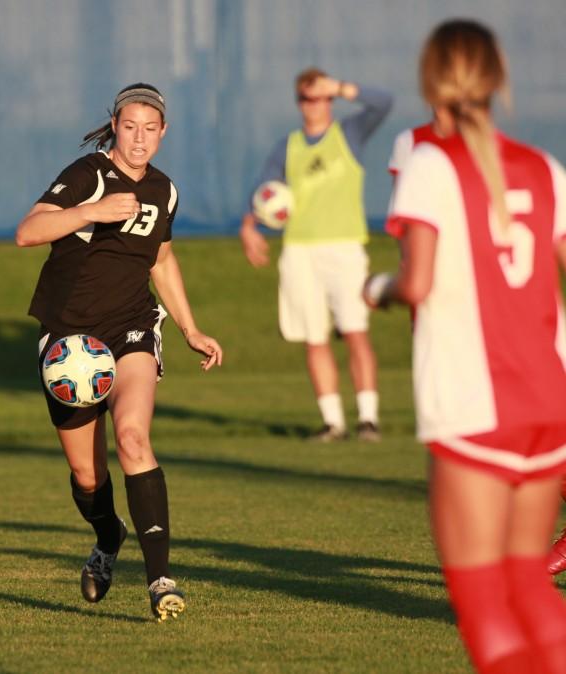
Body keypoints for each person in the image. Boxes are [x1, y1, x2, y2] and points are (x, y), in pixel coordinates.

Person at [365, 20, 566, 673]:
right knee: (530, 586)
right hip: (549, 397)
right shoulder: (544, 168)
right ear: (498, 79)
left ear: (432, 82)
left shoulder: (428, 161)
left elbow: (416, 281)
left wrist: (377, 287)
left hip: (479, 402)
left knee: (485, 606)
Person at [15, 83, 223, 621]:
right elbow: (28, 231)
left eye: (149, 129)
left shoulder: (164, 190)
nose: (138, 139)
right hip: (69, 341)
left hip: (131, 325)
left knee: (132, 436)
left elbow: (162, 261)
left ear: (163, 132)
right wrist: (93, 211)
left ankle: (161, 580)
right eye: (129, 127)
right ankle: (108, 536)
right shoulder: (88, 175)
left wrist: (189, 328)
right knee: (87, 476)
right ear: (114, 124)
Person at [239, 68, 392, 442]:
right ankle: (332, 422)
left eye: (323, 97)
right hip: (300, 249)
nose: (316, 104)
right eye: (308, 97)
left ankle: (368, 419)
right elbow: (264, 193)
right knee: (314, 336)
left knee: (355, 330)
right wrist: (249, 226)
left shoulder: (349, 134)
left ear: (332, 99)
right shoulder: (287, 146)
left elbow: (384, 103)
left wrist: (340, 86)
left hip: (344, 247)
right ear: (299, 102)